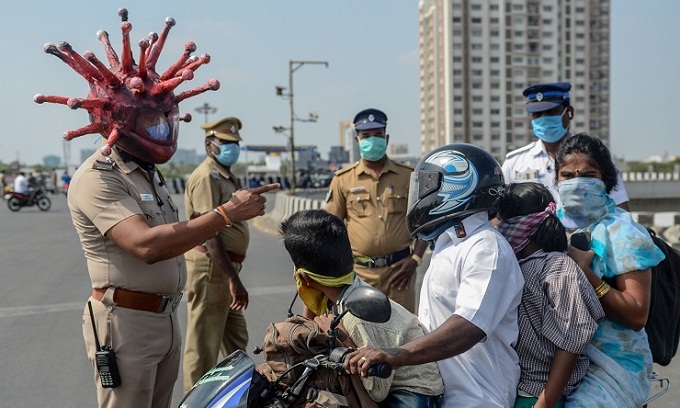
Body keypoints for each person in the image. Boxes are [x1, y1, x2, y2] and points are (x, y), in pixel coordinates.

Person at [345, 144, 525, 408]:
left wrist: (398, 355)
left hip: (476, 397)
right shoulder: (449, 243)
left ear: (458, 184)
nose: (422, 194)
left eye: (429, 185)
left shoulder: (486, 248)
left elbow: (469, 326)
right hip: (440, 393)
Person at [280, 209, 445, 407]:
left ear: (304, 278)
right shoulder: (341, 292)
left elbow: (376, 390)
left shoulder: (355, 316)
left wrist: (343, 342)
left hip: (414, 393)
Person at [552, 133, 665, 407]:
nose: (577, 183)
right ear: (556, 180)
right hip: (554, 360)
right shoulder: (548, 226)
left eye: (588, 174)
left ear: (607, 181)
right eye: (567, 175)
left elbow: (637, 314)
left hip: (611, 368)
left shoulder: (624, 233)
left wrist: (586, 274)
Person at [496, 182, 604, 408]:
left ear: (524, 224)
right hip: (510, 388)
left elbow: (571, 341)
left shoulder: (558, 268)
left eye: (505, 221)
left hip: (539, 394)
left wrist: (544, 403)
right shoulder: (512, 265)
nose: (500, 228)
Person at [325, 108, 427, 313]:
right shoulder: (343, 179)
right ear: (357, 140)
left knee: (404, 335)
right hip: (359, 274)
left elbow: (425, 222)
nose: (373, 140)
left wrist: (415, 260)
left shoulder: (408, 176)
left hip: (400, 272)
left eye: (378, 135)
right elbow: (330, 228)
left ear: (387, 138)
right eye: (366, 136)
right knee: (361, 334)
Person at [182, 117, 252, 393]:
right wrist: (232, 278)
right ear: (209, 145)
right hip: (213, 269)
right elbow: (208, 232)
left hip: (224, 270)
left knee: (236, 341)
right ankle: (195, 399)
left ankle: (237, 394)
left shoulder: (224, 175)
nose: (232, 148)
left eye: (235, 144)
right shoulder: (206, 177)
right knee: (202, 348)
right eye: (226, 143)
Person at [502, 82, 630, 211]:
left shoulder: (596, 157)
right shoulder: (514, 163)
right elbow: (500, 213)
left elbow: (620, 209)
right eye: (537, 114)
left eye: (552, 112)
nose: (544, 118)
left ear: (569, 112)